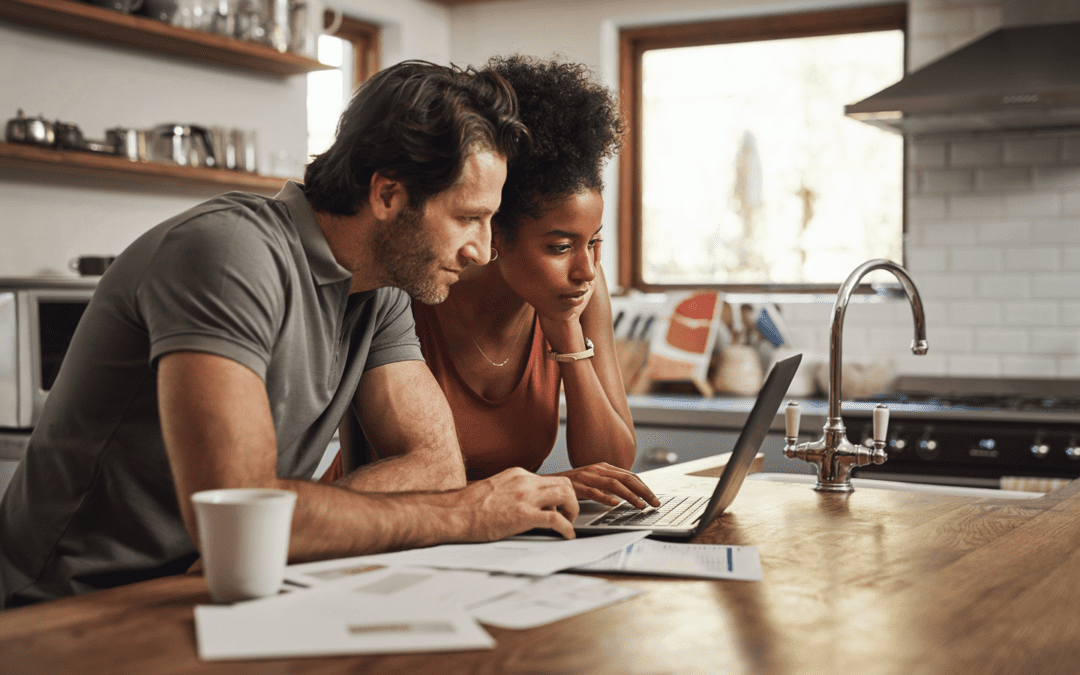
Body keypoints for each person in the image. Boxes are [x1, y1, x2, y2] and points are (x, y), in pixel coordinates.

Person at [0, 60, 580, 609]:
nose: (480, 251)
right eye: (467, 218)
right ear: (387, 194)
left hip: (218, 590)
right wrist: (462, 515)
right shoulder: (230, 253)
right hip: (69, 607)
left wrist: (284, 529)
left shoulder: (380, 291)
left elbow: (434, 467)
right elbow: (238, 513)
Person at [331, 55, 659, 510]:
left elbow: (614, 467)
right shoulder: (416, 285)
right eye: (560, 247)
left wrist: (565, 332)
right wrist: (545, 487)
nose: (586, 270)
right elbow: (395, 473)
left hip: (498, 535)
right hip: (386, 525)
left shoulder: (579, 291)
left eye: (595, 242)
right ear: (495, 232)